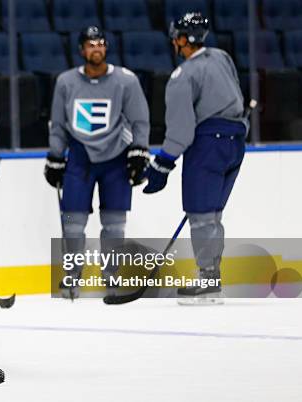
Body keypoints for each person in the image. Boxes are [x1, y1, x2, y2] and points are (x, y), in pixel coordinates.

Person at [143, 13, 248, 304]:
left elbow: (180, 129)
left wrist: (162, 164)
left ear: (180, 40)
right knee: (213, 214)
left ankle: (208, 281)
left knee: (201, 214)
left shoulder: (182, 76)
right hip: (236, 142)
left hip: (207, 145)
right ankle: (212, 275)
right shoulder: (222, 57)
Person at [44, 26, 150, 299]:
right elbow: (58, 124)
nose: (96, 49)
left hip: (116, 157)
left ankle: (111, 276)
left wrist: (139, 151)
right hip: (79, 157)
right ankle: (72, 276)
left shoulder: (126, 80)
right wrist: (56, 156)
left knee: (115, 224)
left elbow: (139, 121)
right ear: (82, 50)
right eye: (91, 44)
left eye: (100, 44)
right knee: (73, 223)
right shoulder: (66, 82)